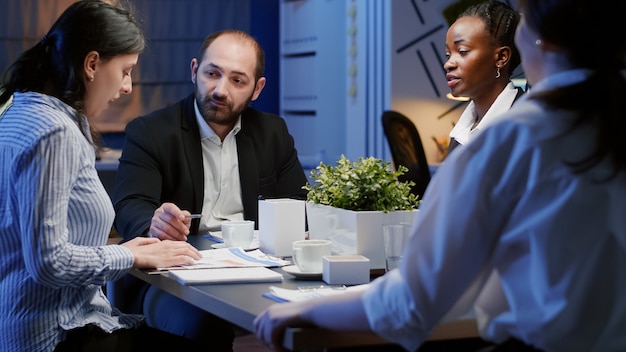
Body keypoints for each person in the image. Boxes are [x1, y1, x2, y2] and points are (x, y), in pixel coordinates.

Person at [254, 0, 626, 350]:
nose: (450, 62)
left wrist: (306, 308)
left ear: (539, 40)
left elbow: (413, 302)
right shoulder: (590, 126)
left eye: (524, 20)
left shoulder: (510, 141)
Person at [0, 1, 206, 351]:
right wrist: (130, 256)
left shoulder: (19, 111)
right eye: (125, 70)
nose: (128, 86)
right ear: (92, 64)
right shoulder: (55, 132)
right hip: (56, 334)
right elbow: (49, 263)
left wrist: (126, 249)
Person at [111, 29, 308, 348]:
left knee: (311, 320)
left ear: (257, 89)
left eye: (237, 81)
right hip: (173, 280)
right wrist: (155, 224)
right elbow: (130, 205)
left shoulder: (273, 133)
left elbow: (299, 205)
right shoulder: (151, 132)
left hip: (257, 274)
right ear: (194, 71)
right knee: (205, 326)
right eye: (212, 73)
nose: (220, 89)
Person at [445, 0, 524, 155]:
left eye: (462, 51)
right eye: (448, 54)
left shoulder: (526, 124)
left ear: (501, 57)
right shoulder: (461, 132)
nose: (448, 64)